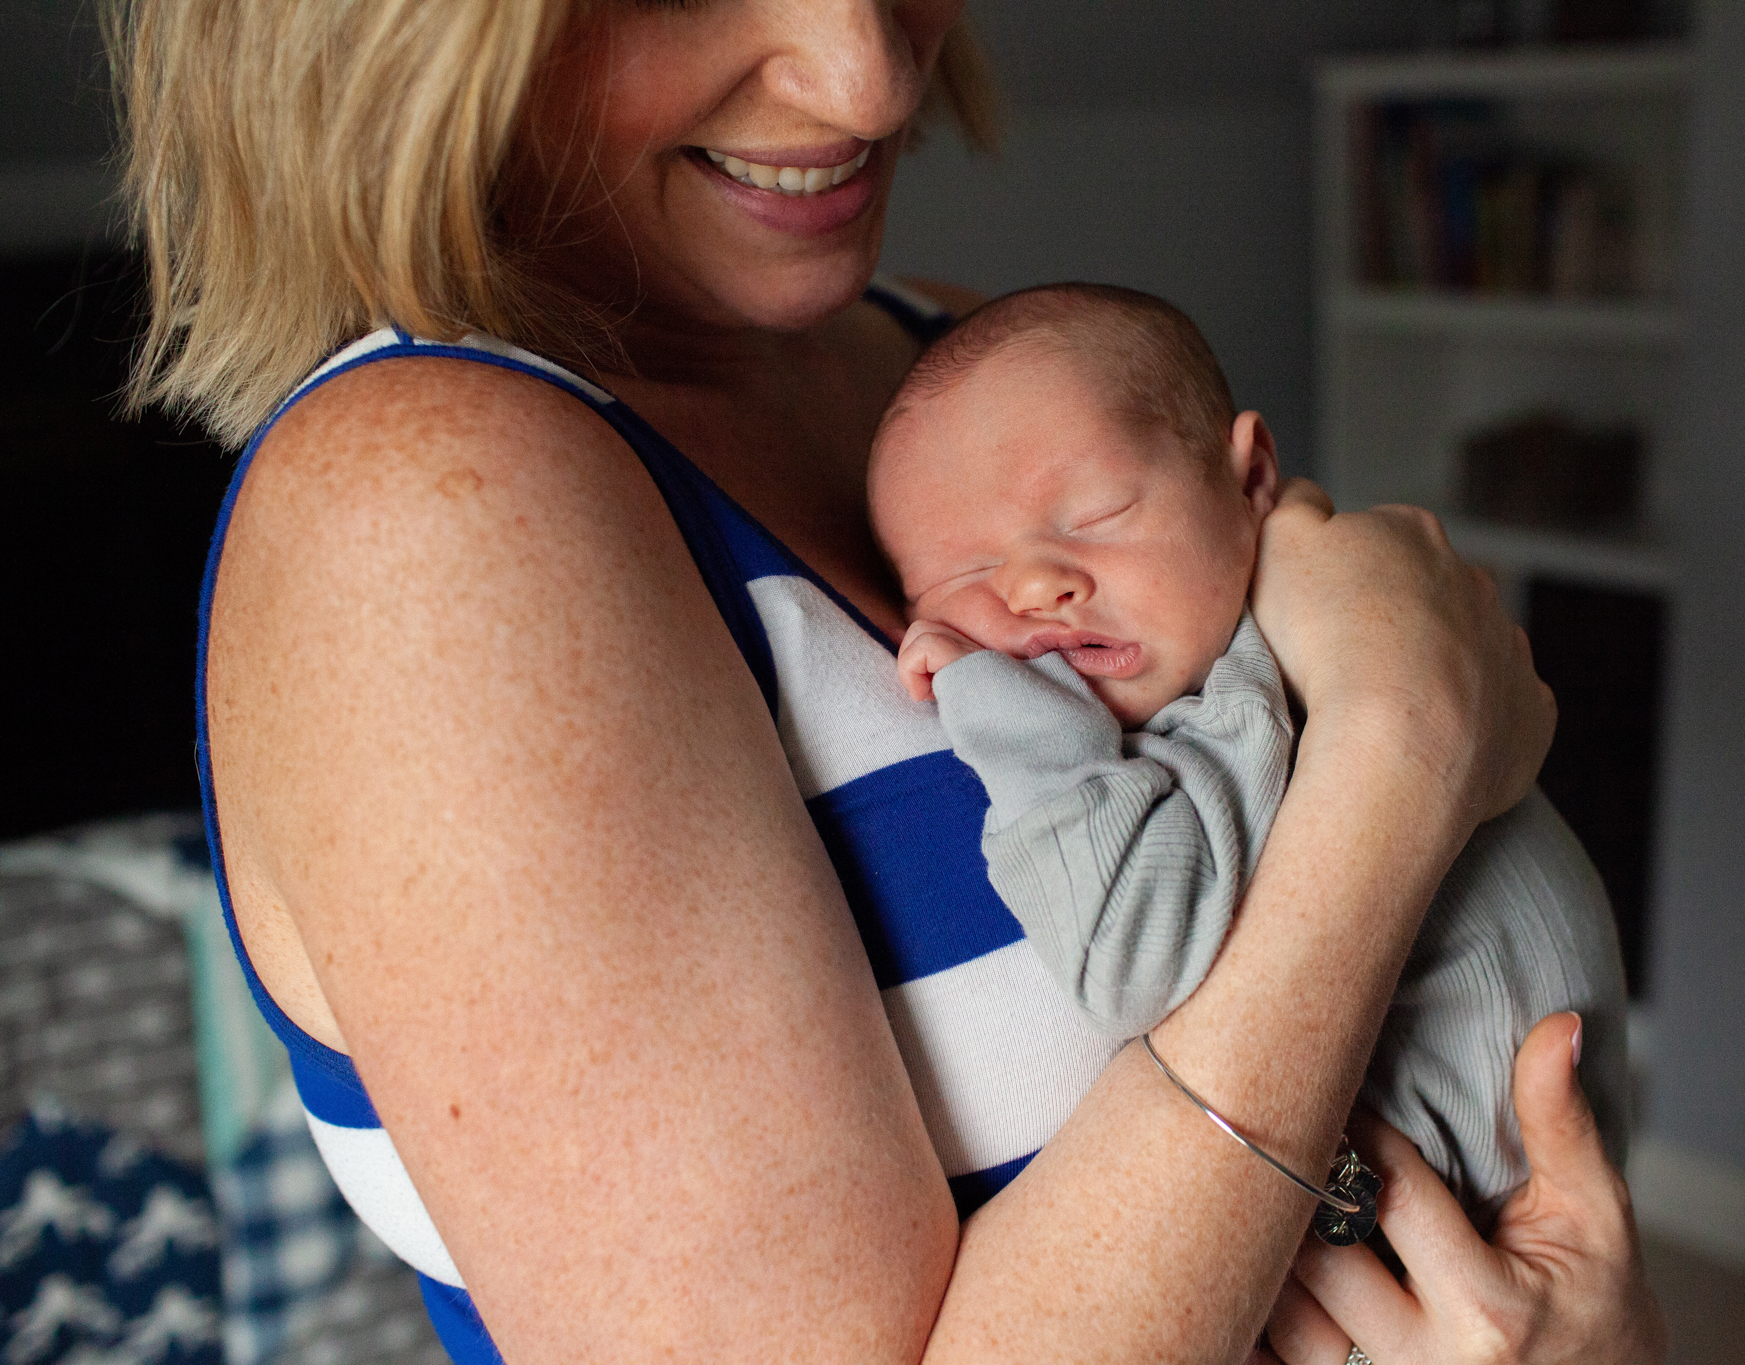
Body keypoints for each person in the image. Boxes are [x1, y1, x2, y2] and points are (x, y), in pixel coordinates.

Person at [109, 0, 1665, 1361]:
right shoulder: (424, 512)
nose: (867, 77)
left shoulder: (972, 361)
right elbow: (1407, 712)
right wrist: (1400, 757)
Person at [871, 283, 1630, 1228]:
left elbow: (1128, 955)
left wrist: (998, 704)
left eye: (1096, 513)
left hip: (1461, 1197)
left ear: (1249, 475)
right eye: (964, 576)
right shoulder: (1298, 637)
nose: (1033, 585)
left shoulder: (1241, 706)